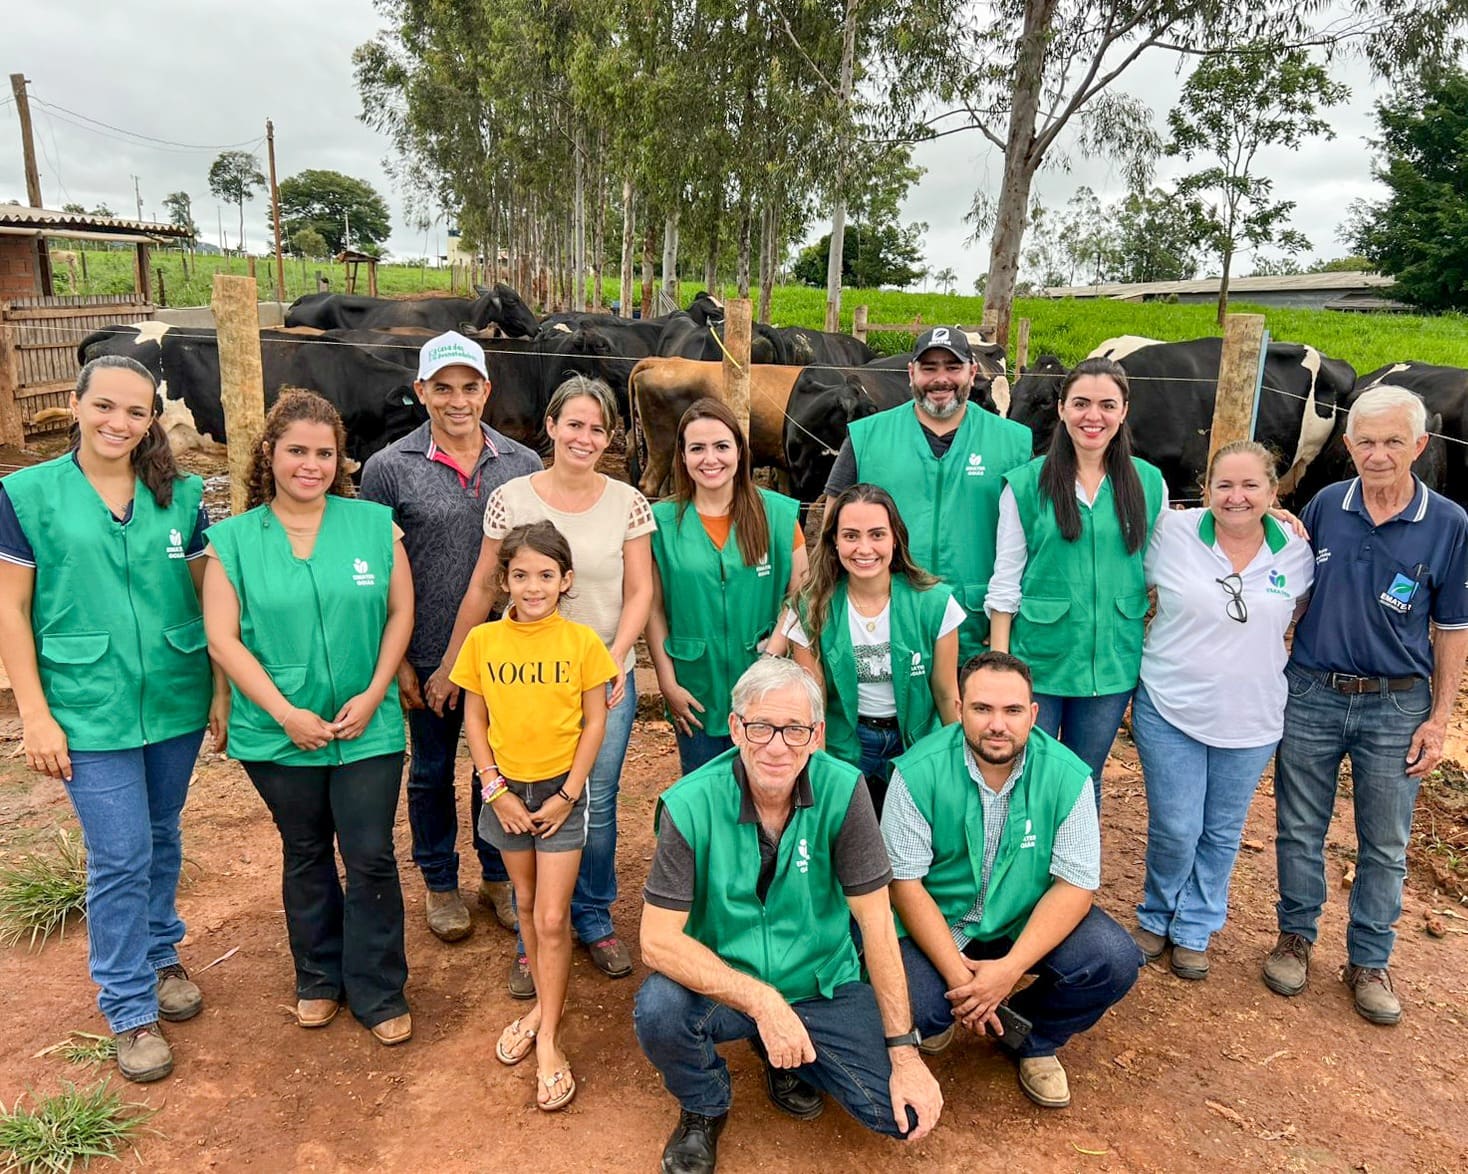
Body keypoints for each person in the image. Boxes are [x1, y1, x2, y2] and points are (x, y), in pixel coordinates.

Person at [0, 355, 226, 1084]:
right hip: (83, 704)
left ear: (152, 419)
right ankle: (128, 1005)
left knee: (162, 834)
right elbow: (9, 607)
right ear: (74, 404)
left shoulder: (180, 494)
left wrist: (221, 687)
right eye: (104, 406)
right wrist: (33, 712)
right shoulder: (26, 495)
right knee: (120, 852)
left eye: (134, 412)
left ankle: (160, 952)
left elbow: (210, 597)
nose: (117, 423)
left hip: (173, 692)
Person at [636, 657, 942, 1174]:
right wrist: (762, 1002)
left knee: (899, 1117)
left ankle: (785, 1049)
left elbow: (876, 926)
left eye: (794, 730)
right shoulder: (688, 805)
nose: (777, 746)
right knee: (660, 1008)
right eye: (760, 727)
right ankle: (704, 1104)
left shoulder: (844, 792)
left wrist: (905, 1054)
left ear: (817, 734)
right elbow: (656, 941)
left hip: (820, 980)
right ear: (735, 728)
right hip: (729, 982)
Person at [202, 390, 415, 1046]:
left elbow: (401, 613)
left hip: (367, 727)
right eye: (297, 450)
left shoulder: (376, 526)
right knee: (304, 851)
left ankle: (378, 988)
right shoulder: (233, 541)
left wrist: (377, 689)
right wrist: (285, 713)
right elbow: (223, 639)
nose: (311, 464)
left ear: (340, 460)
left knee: (371, 854)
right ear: (271, 453)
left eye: (324, 453)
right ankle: (318, 976)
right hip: (276, 733)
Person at [443, 375, 654, 993]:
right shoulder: (512, 496)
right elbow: (485, 584)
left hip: (601, 679)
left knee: (597, 798)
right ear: (552, 426)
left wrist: (616, 657)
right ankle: (535, 933)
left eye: (597, 428)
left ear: (609, 437)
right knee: (522, 792)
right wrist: (454, 658)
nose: (584, 437)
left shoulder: (627, 503)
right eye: (574, 424)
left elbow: (639, 590)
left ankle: (591, 914)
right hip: (523, 679)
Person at [1264, 386, 1468, 1025]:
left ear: (1420, 446)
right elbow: (1291, 587)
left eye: (1393, 443)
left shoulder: (1449, 524)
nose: (1378, 456)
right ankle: (1295, 937)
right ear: (1347, 446)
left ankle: (1370, 959)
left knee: (1385, 841)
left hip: (1396, 704)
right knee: (1299, 826)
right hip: (1313, 691)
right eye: (1367, 443)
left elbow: (1454, 628)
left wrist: (1439, 720)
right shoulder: (1326, 505)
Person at [884, 652, 1141, 1110]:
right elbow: (906, 886)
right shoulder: (916, 772)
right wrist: (960, 978)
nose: (997, 724)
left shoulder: (1067, 775)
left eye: (1012, 710)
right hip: (944, 926)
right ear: (960, 708)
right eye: (983, 709)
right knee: (912, 1003)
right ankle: (951, 1010)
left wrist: (1005, 974)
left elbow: (1076, 886)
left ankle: (1033, 1035)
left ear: (1033, 714)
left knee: (1114, 959)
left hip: (1022, 923)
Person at [360, 330, 542, 944]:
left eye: (469, 387)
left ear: (486, 391)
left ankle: (496, 876)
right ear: (421, 391)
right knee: (433, 768)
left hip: (510, 654)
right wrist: (406, 660)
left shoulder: (523, 464)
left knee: (499, 767)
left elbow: (535, 560)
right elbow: (381, 569)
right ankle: (440, 882)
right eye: (442, 388)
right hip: (430, 651)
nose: (456, 400)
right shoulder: (389, 470)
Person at [449, 522, 618, 1112]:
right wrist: (493, 787)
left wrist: (568, 794)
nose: (533, 586)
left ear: (566, 580)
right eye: (520, 575)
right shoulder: (484, 643)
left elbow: (595, 722)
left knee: (551, 917)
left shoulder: (582, 644)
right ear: (505, 581)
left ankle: (548, 1036)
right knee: (523, 903)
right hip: (506, 792)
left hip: (559, 792)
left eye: (546, 575)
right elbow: (475, 717)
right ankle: (544, 1006)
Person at [1131, 441, 1314, 979]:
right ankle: (1156, 913)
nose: (1237, 497)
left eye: (1251, 485)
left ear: (1274, 492)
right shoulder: (1171, 534)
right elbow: (1128, 585)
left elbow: (1296, 616)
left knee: (1222, 830)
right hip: (1170, 704)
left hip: (1252, 716)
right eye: (1225, 485)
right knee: (1177, 824)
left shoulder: (1297, 553)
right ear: (1205, 489)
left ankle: (1195, 927)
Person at [986, 357, 1166, 807]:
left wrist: (1264, 517)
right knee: (1027, 776)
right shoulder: (1026, 485)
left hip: (1111, 663)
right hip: (1038, 662)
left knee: (1086, 779)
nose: (1093, 416)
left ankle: (1076, 874)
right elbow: (1005, 584)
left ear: (1124, 411)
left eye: (1107, 405)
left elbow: (1172, 558)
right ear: (1062, 408)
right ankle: (1023, 875)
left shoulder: (1148, 482)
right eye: (1081, 403)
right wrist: (1000, 667)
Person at [823, 326, 1032, 661]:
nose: (941, 379)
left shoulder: (1013, 442)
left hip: (976, 624)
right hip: (884, 621)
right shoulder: (867, 436)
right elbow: (830, 529)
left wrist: (1005, 630)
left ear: (973, 372)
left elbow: (1030, 541)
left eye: (953, 367)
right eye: (929, 368)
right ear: (911, 373)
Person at [646, 398, 806, 774]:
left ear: (739, 451)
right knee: (707, 797)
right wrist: (667, 682)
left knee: (770, 792)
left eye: (721, 446)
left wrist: (773, 654)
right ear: (682, 456)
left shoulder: (779, 515)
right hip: (695, 689)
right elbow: (652, 608)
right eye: (697, 448)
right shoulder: (661, 523)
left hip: (766, 685)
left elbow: (801, 595)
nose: (710, 459)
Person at [782, 483, 962, 815]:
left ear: (896, 538)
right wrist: (819, 774)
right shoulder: (808, 609)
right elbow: (814, 702)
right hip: (846, 742)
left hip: (915, 741)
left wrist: (957, 769)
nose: (864, 548)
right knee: (852, 841)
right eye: (851, 536)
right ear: (834, 541)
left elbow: (946, 695)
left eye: (877, 534)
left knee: (912, 843)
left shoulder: (936, 604)